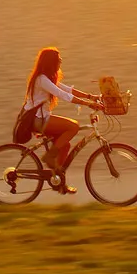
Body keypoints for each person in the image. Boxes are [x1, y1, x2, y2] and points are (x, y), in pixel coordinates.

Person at [21, 47, 103, 194]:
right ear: (51, 62)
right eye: (59, 60)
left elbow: (68, 90)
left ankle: (58, 181)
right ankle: (49, 157)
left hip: (41, 118)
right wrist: (89, 104)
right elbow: (62, 95)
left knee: (64, 146)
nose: (60, 62)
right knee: (73, 127)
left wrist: (91, 97)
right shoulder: (42, 79)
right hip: (36, 120)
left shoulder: (47, 77)